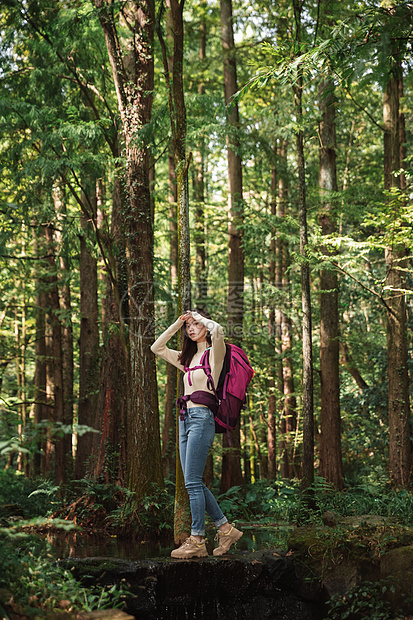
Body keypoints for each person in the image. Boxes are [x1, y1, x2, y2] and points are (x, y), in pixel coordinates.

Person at [151, 309, 243, 558]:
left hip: (203, 419)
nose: (191, 328)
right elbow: (156, 348)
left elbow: (219, 331)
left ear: (204, 325)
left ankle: (198, 539)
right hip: (184, 420)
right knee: (193, 481)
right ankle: (225, 529)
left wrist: (201, 317)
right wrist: (176, 323)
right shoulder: (186, 359)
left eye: (195, 324)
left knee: (192, 481)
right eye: (188, 326)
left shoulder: (215, 355)